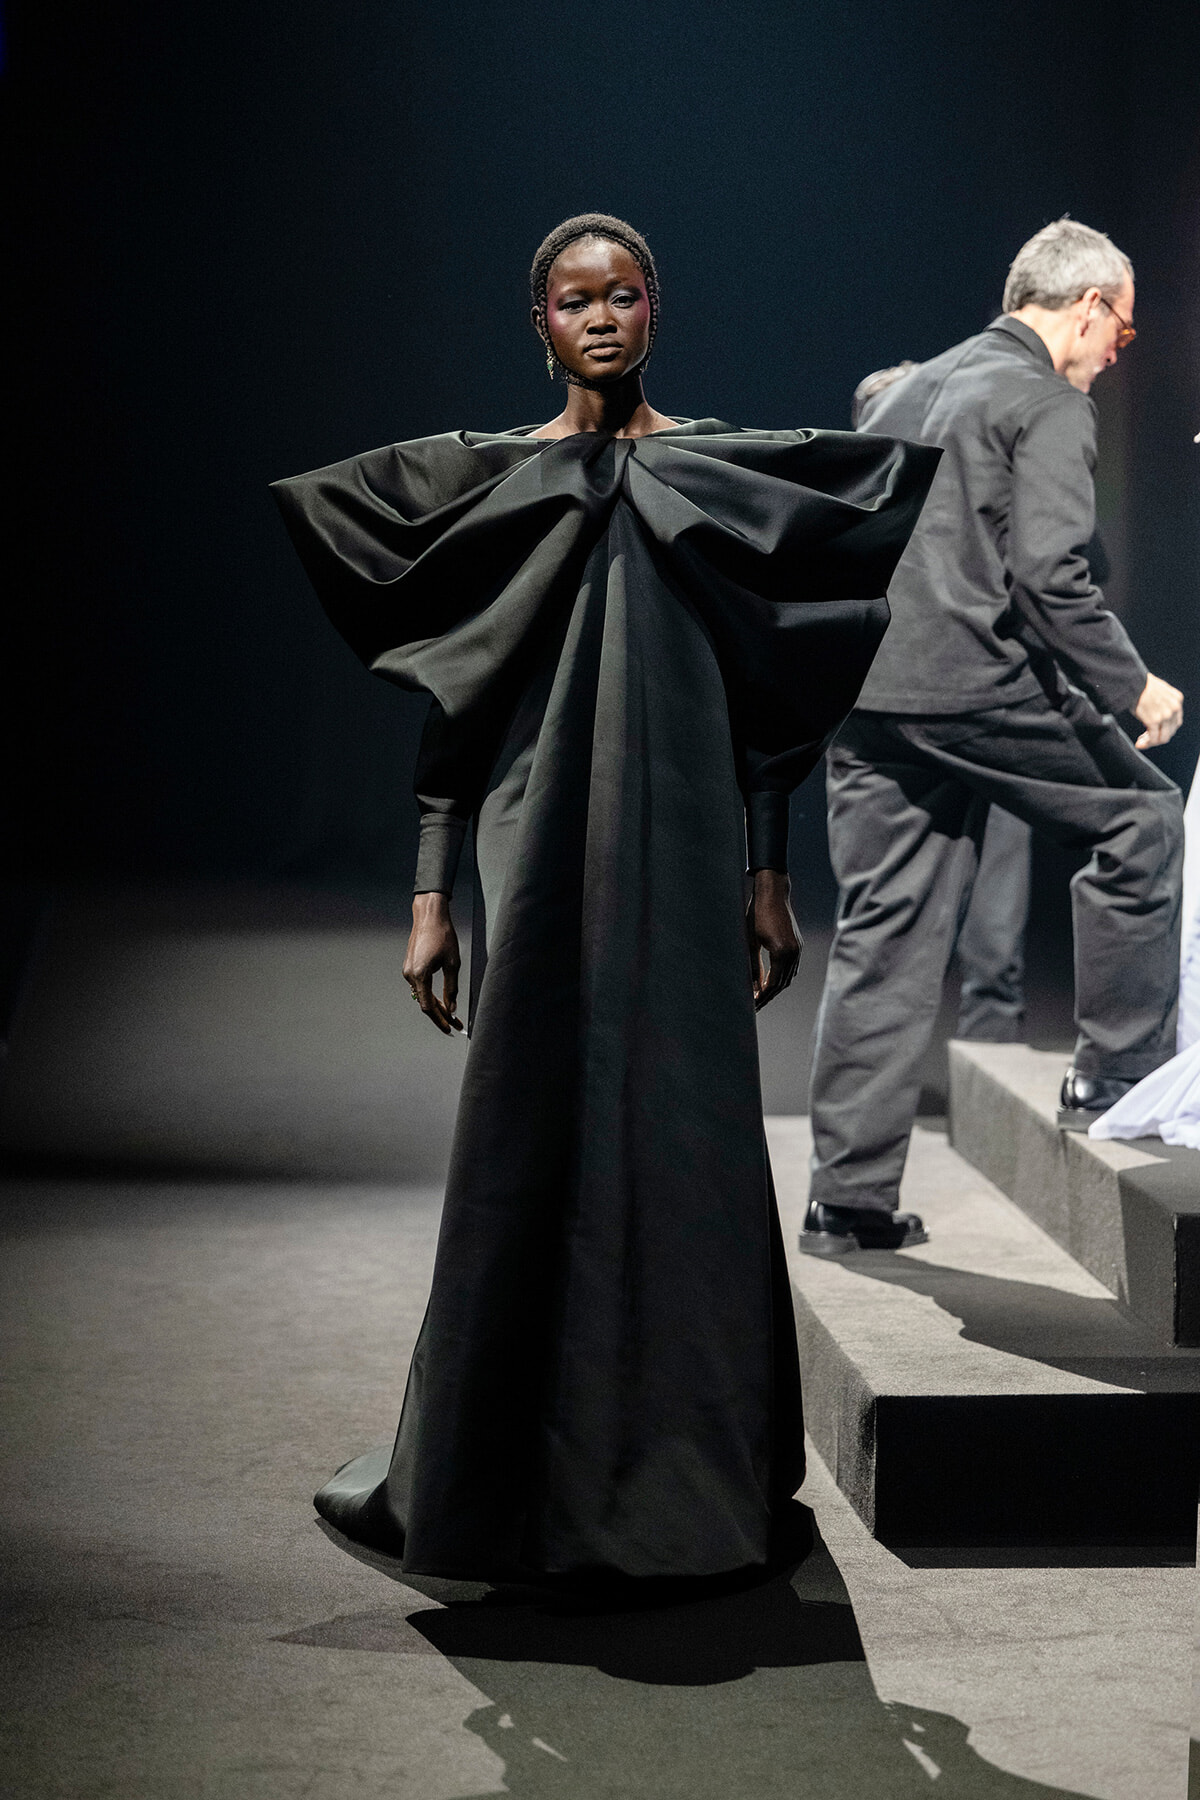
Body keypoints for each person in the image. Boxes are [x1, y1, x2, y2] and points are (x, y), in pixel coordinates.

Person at [271, 214, 939, 1588]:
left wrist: (767, 868)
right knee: (534, 1123)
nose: (602, 317)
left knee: (685, 1137)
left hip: (688, 840)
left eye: (624, 294)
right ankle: (502, 1482)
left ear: (655, 309)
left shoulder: (714, 477)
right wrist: (429, 890)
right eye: (576, 300)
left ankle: (690, 1478)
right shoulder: (499, 487)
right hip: (535, 831)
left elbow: (768, 707)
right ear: (540, 321)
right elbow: (456, 703)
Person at [804, 217, 1185, 1259]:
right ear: (1090, 306)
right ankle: (1113, 1072)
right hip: (973, 684)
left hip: (868, 695)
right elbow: (1052, 577)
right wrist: (1132, 687)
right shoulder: (1045, 401)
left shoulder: (910, 389)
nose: (1117, 354)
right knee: (1144, 819)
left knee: (885, 932)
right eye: (1125, 332)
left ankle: (849, 1193)